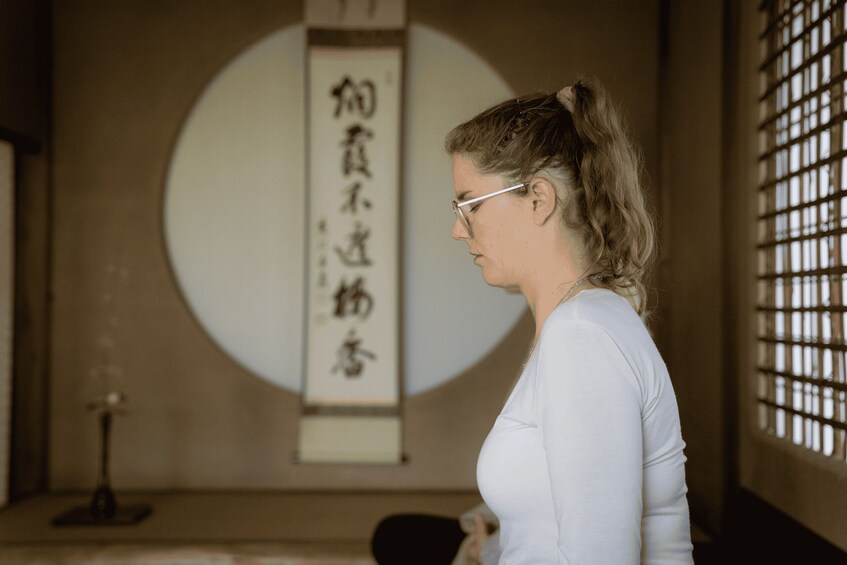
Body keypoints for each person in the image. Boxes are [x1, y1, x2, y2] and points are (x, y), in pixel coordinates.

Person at [445, 77, 694, 564]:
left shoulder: (582, 336)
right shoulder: (580, 322)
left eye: (470, 204)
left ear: (538, 199)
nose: (458, 229)